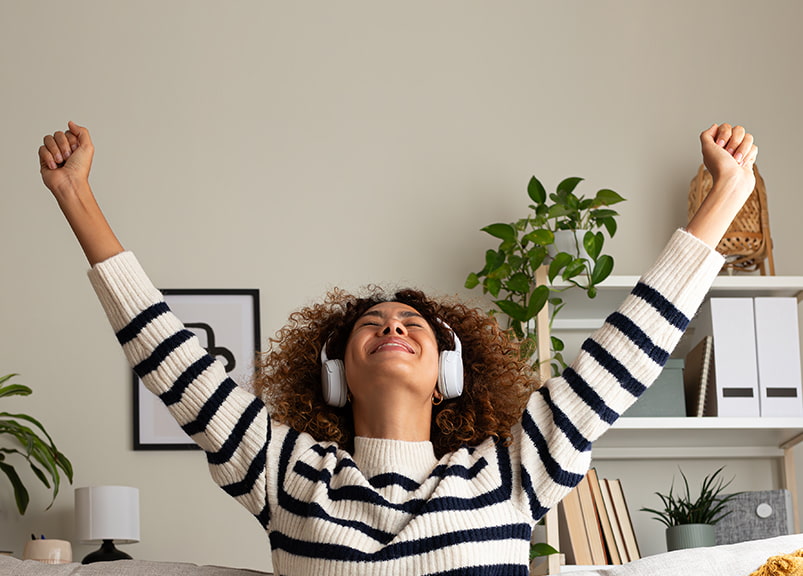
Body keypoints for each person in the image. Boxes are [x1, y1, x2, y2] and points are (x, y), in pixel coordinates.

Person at [38, 121, 757, 575]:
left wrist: (724, 199)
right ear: (335, 374)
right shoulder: (285, 473)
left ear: (446, 372)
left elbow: (624, 352)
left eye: (414, 325)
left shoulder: (510, 469)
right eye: (369, 324)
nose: (392, 327)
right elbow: (170, 358)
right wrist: (76, 198)